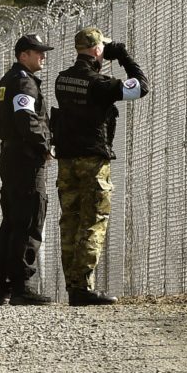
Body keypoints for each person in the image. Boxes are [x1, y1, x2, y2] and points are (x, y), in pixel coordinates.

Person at [53, 27, 147, 306]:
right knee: (93, 221)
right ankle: (82, 287)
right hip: (92, 161)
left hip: (67, 160)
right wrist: (124, 57)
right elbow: (141, 86)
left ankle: (74, 285)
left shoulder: (62, 80)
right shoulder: (100, 84)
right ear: (96, 50)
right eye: (103, 49)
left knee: (70, 221)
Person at [0, 34, 55, 306]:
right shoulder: (23, 82)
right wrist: (44, 146)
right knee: (29, 217)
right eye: (37, 51)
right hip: (25, 158)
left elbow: (1, 123)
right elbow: (26, 118)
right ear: (23, 55)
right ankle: (22, 285)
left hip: (11, 153)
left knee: (12, 220)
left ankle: (3, 284)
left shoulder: (6, 82)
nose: (43, 56)